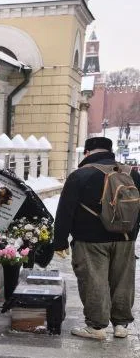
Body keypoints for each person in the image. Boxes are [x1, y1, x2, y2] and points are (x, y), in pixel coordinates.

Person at [53, 135, 140, 339]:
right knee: (123, 281)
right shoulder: (132, 174)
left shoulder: (80, 175)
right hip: (125, 238)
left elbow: (65, 211)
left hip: (90, 239)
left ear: (87, 152)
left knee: (94, 281)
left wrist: (60, 241)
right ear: (110, 151)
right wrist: (132, 233)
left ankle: (97, 326)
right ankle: (121, 325)